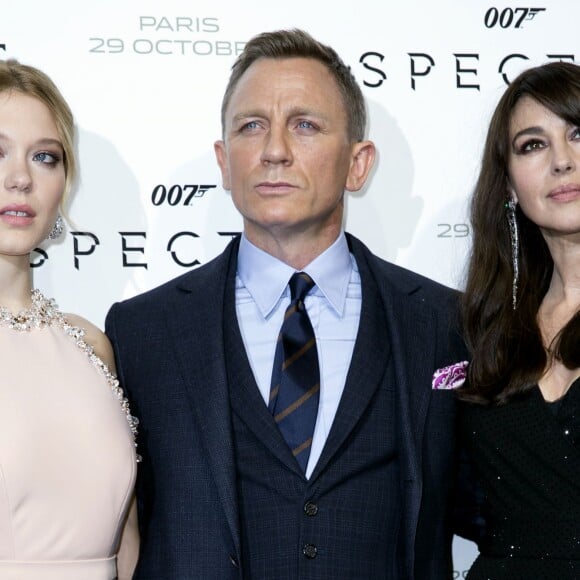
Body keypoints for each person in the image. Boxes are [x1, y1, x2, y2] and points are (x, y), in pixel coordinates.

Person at [106, 29, 468, 579]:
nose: (274, 150)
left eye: (305, 125)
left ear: (358, 163)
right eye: (252, 126)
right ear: (225, 163)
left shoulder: (444, 322)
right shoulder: (141, 332)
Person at [0, 59, 139, 580]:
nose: (20, 178)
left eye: (44, 157)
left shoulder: (91, 345)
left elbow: (127, 544)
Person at [457, 61, 580, 578]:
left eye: (578, 134)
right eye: (533, 145)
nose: (563, 162)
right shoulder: (481, 334)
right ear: (508, 185)